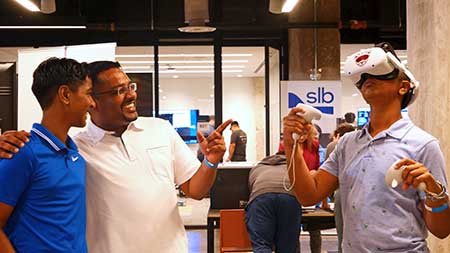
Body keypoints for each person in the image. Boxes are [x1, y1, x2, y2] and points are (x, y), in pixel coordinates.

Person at [0, 61, 232, 253]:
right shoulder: (77, 148)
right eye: (118, 91)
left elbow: (195, 190)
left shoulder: (160, 129)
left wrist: (211, 160)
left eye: (129, 86)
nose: (131, 95)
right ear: (93, 101)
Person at [283, 42, 450, 252]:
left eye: (378, 73)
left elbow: (442, 230)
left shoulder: (423, 144)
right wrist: (290, 144)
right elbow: (309, 195)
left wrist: (435, 192)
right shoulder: (347, 144)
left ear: (403, 86)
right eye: (362, 78)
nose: (367, 79)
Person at [0, 58, 94, 253]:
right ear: (65, 94)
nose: (92, 103)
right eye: (88, 94)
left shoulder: (76, 154)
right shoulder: (23, 152)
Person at [245, 142, 301, 253]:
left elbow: (251, 189)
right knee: (287, 248)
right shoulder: (293, 167)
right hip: (289, 199)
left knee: (262, 245)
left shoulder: (258, 167)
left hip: (261, 198)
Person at [324, 123, 356, 253]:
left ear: (337, 134)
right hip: (357, 192)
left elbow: (327, 176)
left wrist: (325, 202)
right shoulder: (359, 144)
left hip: (340, 194)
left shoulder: (333, 146)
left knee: (342, 237)